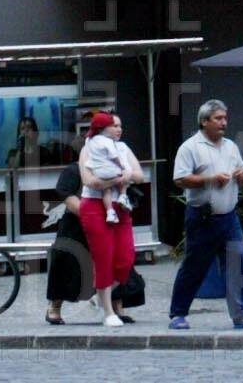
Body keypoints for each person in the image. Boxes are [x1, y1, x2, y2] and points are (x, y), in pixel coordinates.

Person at [167, 99, 243, 331]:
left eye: (225, 118)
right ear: (204, 121)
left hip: (229, 216)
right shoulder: (190, 147)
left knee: (237, 264)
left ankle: (241, 315)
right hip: (202, 217)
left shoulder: (230, 146)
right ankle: (178, 314)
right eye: (218, 118)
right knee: (195, 266)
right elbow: (180, 179)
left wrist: (242, 175)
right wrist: (210, 179)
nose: (224, 123)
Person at [76, 111, 145, 326]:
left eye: (120, 125)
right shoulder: (89, 148)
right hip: (94, 205)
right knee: (103, 257)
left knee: (125, 258)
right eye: (114, 125)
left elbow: (139, 175)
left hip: (120, 206)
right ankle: (108, 311)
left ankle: (100, 295)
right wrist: (118, 179)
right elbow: (90, 181)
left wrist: (125, 176)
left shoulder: (123, 148)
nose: (118, 129)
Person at [41, 160, 90, 326]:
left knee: (112, 261)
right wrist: (91, 214)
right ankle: (55, 306)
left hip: (101, 221)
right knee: (64, 263)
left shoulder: (107, 167)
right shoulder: (74, 170)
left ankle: (116, 307)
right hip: (75, 223)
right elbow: (68, 197)